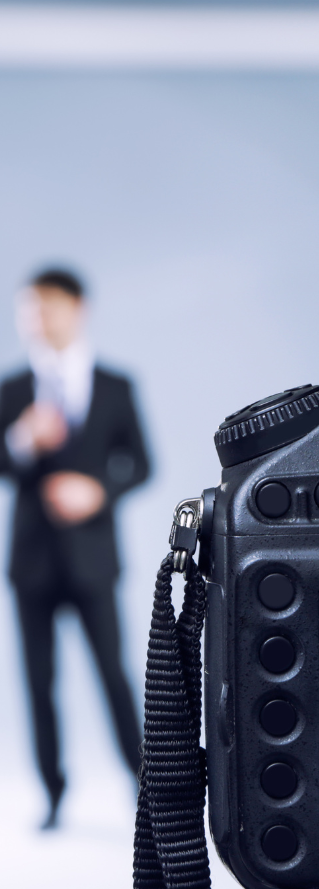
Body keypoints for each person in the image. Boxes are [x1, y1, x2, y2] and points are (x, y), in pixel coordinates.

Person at [0, 267, 150, 829]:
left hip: (92, 556)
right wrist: (21, 441)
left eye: (46, 307)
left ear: (76, 308)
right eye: (28, 311)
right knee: (38, 683)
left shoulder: (114, 385)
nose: (36, 320)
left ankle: (144, 784)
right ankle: (52, 795)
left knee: (113, 672)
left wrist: (98, 491)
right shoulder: (13, 390)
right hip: (32, 559)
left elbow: (141, 463)